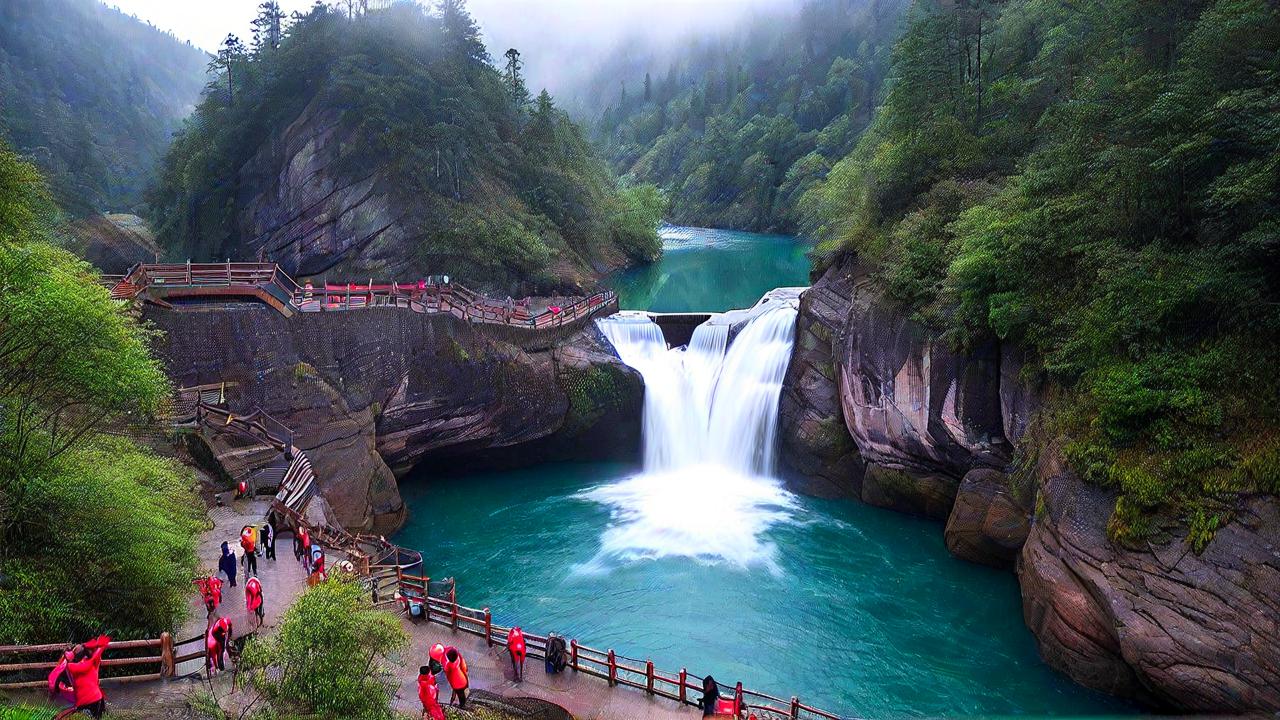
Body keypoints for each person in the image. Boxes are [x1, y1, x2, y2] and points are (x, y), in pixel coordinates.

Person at [55, 634, 109, 720]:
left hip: (87, 702)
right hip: (95, 700)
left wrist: (98, 647)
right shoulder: (91, 662)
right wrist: (100, 647)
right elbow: (93, 658)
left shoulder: (70, 666)